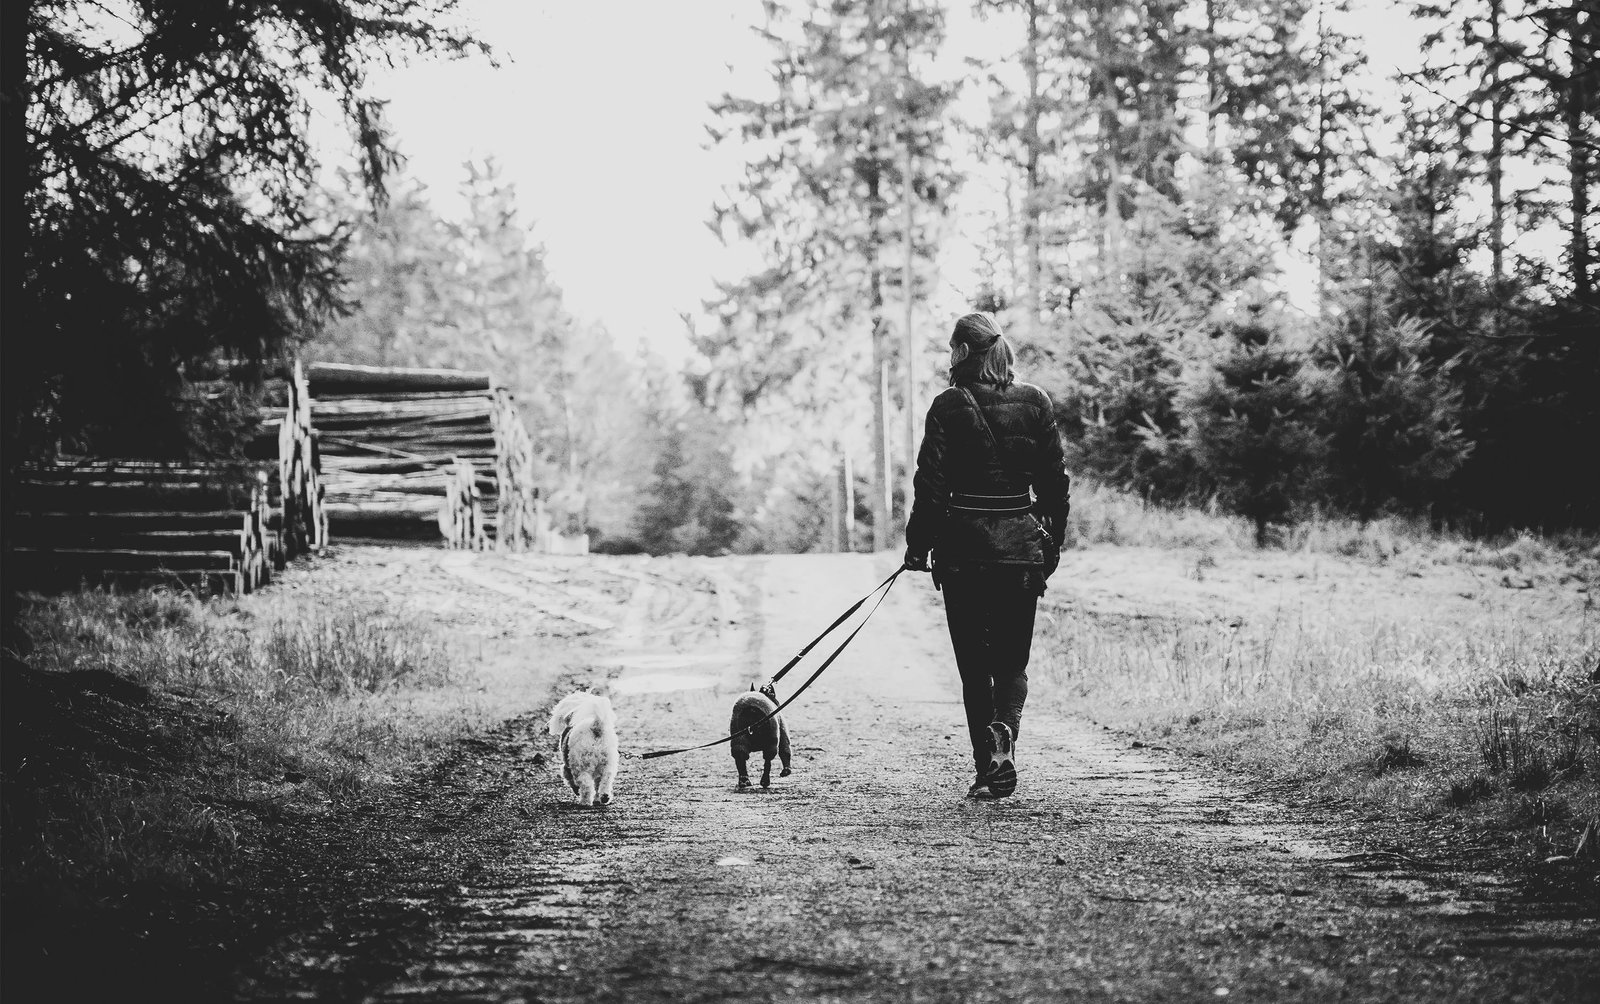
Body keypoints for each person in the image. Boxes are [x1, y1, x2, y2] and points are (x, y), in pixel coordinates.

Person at [903, 312, 1070, 799]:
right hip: (1020, 552)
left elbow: (930, 488)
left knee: (975, 670)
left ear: (960, 353)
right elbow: (1055, 485)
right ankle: (1006, 730)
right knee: (1012, 666)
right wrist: (1050, 542)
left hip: (963, 555)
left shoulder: (947, 406)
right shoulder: (1036, 401)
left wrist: (917, 548)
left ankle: (987, 770)